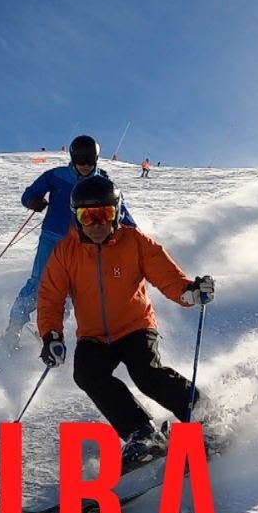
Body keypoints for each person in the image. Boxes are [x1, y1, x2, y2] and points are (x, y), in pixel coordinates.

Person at [36, 175, 216, 469]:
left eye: (104, 214)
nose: (96, 224)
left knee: (146, 373)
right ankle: (141, 432)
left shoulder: (135, 242)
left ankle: (204, 415)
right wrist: (51, 335)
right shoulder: (65, 253)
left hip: (135, 326)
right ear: (76, 217)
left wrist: (190, 292)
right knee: (87, 374)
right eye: (87, 216)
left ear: (117, 213)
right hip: (93, 335)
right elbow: (50, 298)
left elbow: (168, 278)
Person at [6, 135, 134, 346]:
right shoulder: (56, 175)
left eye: (89, 160)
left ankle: (49, 330)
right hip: (52, 237)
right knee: (40, 282)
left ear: (96, 159)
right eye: (80, 160)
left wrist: (133, 233)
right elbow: (28, 194)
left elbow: (121, 212)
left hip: (82, 243)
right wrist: (33, 201)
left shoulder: (102, 183)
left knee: (69, 290)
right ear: (72, 158)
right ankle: (14, 327)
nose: (85, 165)